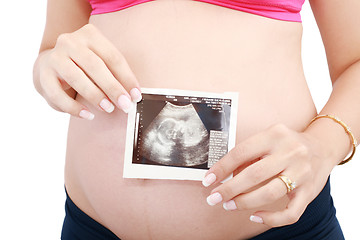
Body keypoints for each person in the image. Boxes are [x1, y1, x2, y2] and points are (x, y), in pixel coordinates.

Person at [33, 0, 359, 239]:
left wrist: (323, 145)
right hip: (92, 228)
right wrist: (49, 65)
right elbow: (53, 49)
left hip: (275, 226)